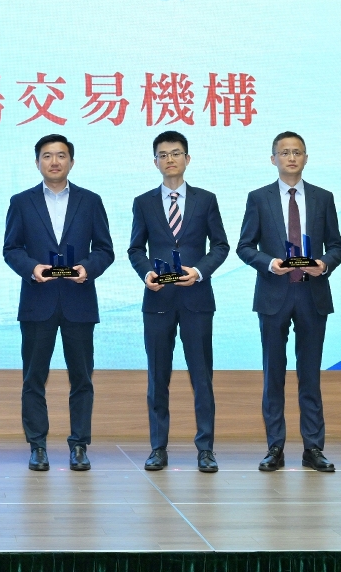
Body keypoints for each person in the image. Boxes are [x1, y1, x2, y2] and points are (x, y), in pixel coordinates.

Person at [3, 134, 114, 472]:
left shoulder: (90, 201)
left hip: (79, 301)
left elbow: (105, 250)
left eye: (61, 155)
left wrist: (87, 269)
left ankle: (79, 445)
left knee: (82, 379)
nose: (54, 161)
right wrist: (32, 269)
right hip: (38, 302)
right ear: (37, 162)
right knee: (33, 378)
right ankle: (37, 446)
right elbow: (11, 249)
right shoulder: (21, 202)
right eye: (47, 155)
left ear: (71, 162)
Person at [236, 131, 341, 473]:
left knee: (310, 375)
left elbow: (337, 246)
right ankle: (275, 448)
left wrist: (323, 264)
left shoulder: (323, 198)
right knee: (274, 374)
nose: (291, 157)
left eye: (297, 152)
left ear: (306, 158)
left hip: (312, 294)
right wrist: (270, 263)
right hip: (274, 294)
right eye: (284, 152)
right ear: (273, 159)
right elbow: (244, 246)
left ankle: (313, 448)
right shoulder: (259, 198)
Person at [127, 131, 230, 473]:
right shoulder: (143, 202)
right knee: (158, 377)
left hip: (196, 299)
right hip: (158, 300)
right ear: (155, 161)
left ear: (188, 158)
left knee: (202, 377)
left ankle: (206, 449)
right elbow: (135, 248)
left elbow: (220, 245)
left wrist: (199, 271)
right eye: (163, 154)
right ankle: (158, 448)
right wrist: (147, 273)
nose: (169, 159)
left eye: (176, 153)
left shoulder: (206, 200)